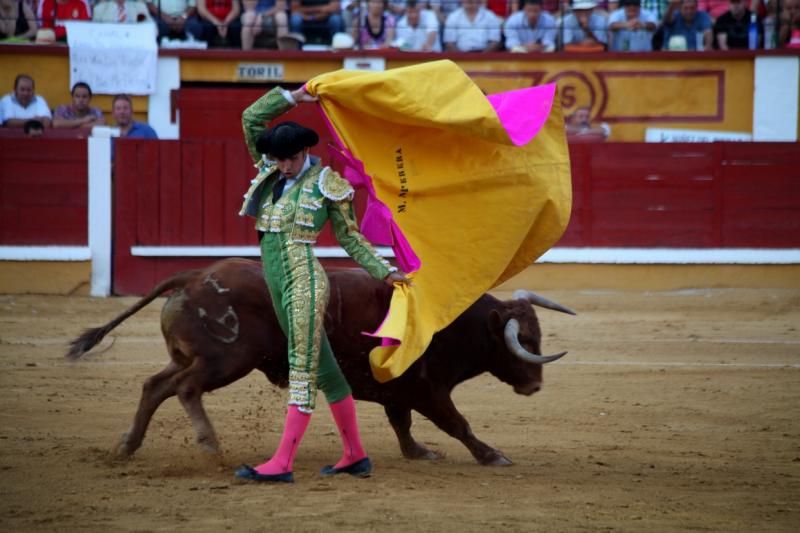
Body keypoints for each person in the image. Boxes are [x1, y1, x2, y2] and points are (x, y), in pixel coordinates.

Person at [233, 85, 411, 484]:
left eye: (290, 159)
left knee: (301, 366)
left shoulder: (327, 184)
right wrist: (293, 96)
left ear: (304, 153)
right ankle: (355, 455)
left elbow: (350, 238)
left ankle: (281, 462)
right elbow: (250, 119)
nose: (284, 167)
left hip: (304, 282)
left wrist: (385, 271)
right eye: (278, 160)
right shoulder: (269, 170)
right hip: (275, 282)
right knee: (326, 371)